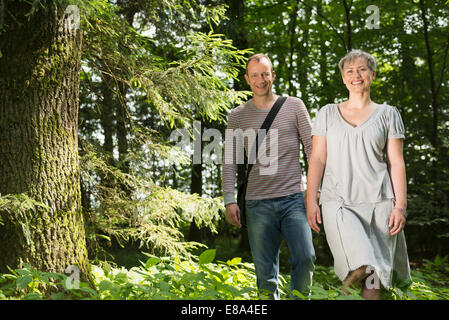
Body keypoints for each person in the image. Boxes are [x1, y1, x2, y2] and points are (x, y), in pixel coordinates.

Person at [306, 49, 411, 300]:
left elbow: (396, 162)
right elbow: (318, 158)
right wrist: (311, 200)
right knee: (362, 264)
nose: (356, 75)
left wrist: (400, 206)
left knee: (373, 282)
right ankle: (343, 292)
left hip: (379, 205)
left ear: (373, 75)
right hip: (339, 203)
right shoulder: (327, 113)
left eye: (362, 69)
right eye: (350, 71)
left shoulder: (388, 114)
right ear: (343, 78)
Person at [222, 53, 315, 299]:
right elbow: (230, 159)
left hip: (293, 198)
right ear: (247, 80)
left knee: (306, 257)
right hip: (257, 203)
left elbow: (312, 149)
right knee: (265, 275)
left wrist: (316, 191)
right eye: (255, 75)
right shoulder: (237, 115)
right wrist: (229, 199)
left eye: (265, 74)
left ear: (273, 75)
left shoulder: (295, 106)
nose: (260, 80)